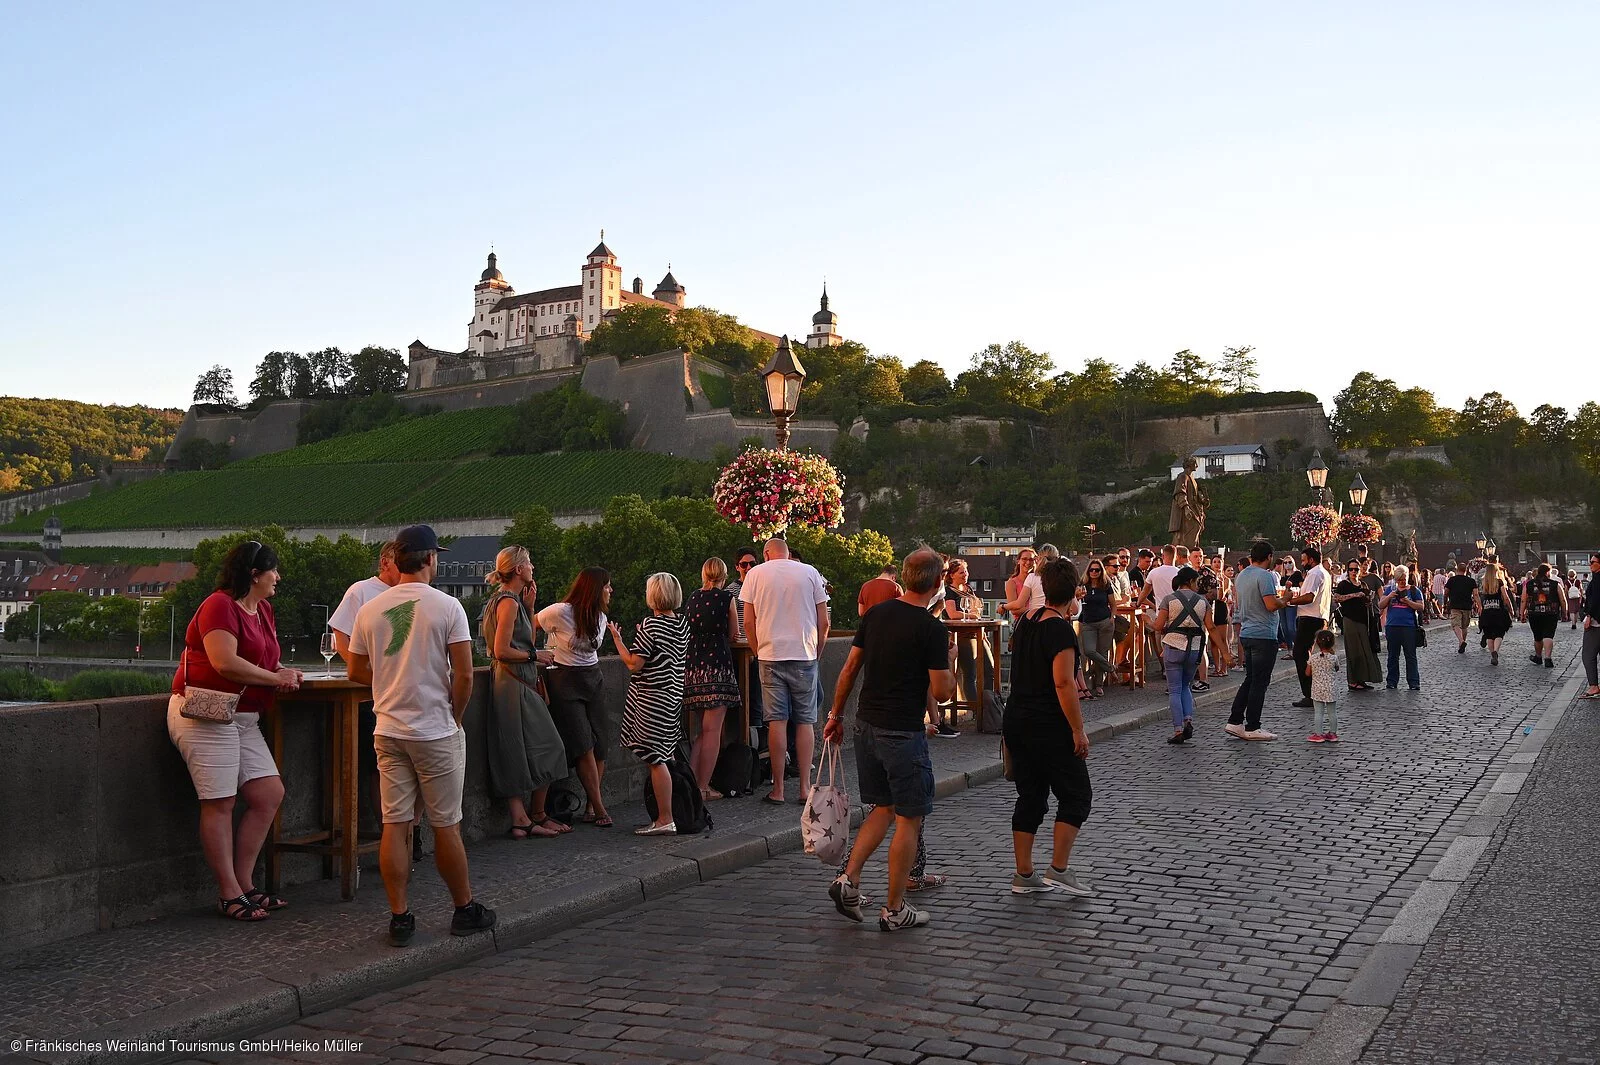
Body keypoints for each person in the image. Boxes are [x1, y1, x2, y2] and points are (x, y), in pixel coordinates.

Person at [347, 524, 494, 946]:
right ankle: (464, 909)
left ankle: (400, 916)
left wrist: (390, 681)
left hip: (388, 728)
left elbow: (356, 669)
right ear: (431, 559)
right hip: (434, 729)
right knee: (445, 824)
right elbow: (464, 674)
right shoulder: (448, 607)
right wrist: (456, 715)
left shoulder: (370, 609)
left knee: (395, 823)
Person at [168, 538, 302, 922]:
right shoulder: (219, 605)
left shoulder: (263, 610)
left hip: (243, 717)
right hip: (206, 714)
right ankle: (229, 894)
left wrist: (278, 676)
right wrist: (276, 679)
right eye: (273, 569)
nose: (278, 576)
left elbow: (262, 662)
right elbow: (224, 663)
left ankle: (244, 884)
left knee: (268, 793)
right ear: (254, 574)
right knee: (220, 802)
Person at [824, 548, 954, 930]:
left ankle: (849, 879)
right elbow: (943, 691)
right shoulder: (931, 628)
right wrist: (950, 654)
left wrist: (835, 715)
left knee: (882, 808)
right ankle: (895, 909)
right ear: (937, 582)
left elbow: (849, 669)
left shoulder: (876, 614)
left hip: (865, 724)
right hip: (902, 730)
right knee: (908, 818)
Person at [1001, 558, 1094, 896]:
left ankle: (1024, 874)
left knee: (1031, 796)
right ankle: (1059, 868)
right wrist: (1077, 730)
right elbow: (1063, 683)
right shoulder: (1060, 630)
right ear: (1072, 593)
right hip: (1048, 723)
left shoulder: (1027, 619)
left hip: (1017, 719)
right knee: (1077, 794)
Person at [481, 546, 569, 840]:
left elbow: (522, 641)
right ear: (518, 569)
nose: (533, 567)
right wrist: (536, 657)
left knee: (518, 748)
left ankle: (527, 818)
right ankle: (527, 817)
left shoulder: (511, 602)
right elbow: (501, 650)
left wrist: (531, 608)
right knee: (543, 746)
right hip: (512, 683)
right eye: (529, 563)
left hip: (515, 682)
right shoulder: (506, 603)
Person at [740, 538, 830, 805]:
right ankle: (804, 788)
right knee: (805, 722)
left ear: (767, 553)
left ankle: (778, 789)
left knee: (776, 722)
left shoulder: (755, 574)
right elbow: (823, 621)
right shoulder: (810, 572)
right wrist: (816, 651)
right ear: (788, 553)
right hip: (804, 654)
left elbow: (748, 621)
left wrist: (758, 651)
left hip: (770, 655)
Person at [611, 574, 691, 835]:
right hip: (672, 697)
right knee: (663, 755)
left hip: (652, 699)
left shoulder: (651, 626)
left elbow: (635, 664)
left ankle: (665, 819)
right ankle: (666, 816)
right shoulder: (682, 624)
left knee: (656, 759)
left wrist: (618, 640)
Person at [536, 568, 615, 828]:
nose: (610, 591)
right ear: (594, 589)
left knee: (601, 740)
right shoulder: (560, 612)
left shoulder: (600, 617)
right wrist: (534, 653)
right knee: (583, 743)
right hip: (564, 679)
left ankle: (592, 805)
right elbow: (531, 623)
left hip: (592, 677)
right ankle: (600, 807)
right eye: (607, 586)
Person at [683, 557, 742, 799]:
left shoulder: (693, 597)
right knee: (713, 731)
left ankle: (692, 783)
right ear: (724, 576)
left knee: (701, 731)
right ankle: (703, 786)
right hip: (717, 665)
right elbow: (733, 633)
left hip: (694, 666)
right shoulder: (727, 599)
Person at [1226, 540, 1289, 741]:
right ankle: (1253, 726)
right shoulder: (1265, 576)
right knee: (1259, 682)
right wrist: (1285, 599)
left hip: (1247, 631)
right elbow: (1270, 605)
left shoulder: (1242, 575)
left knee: (1250, 679)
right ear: (1269, 557)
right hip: (1264, 633)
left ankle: (1235, 721)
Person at [1154, 565, 1207, 745]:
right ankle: (1188, 720)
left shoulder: (1169, 599)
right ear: (1191, 582)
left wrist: (1147, 621)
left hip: (1174, 646)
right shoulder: (1202, 602)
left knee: (1174, 689)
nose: (1198, 585)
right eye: (1197, 581)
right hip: (1194, 648)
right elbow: (1211, 627)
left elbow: (1158, 625)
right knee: (1186, 686)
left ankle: (1178, 730)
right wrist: (1225, 652)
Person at [1288, 548, 1331, 709]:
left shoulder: (1314, 573)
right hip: (1316, 617)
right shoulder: (1323, 572)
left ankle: (1310, 693)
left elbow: (1309, 597)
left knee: (1300, 654)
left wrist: (1289, 601)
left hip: (1310, 618)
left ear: (1312, 560)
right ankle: (1313, 692)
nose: (1302, 563)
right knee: (1304, 654)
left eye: (1304, 560)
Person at [1334, 559, 1382, 690]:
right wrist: (1355, 595)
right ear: (1347, 571)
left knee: (1365, 649)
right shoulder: (1343, 584)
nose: (1353, 572)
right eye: (1351, 569)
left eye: (1356, 569)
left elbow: (1367, 603)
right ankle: (1352, 680)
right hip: (1349, 619)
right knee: (1353, 650)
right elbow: (1337, 598)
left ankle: (1362, 679)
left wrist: (1368, 600)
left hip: (1363, 620)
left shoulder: (1364, 585)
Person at [1076, 557, 1118, 697]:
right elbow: (1075, 602)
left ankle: (1099, 685)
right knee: (1089, 651)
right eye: (1092, 570)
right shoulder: (1082, 584)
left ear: (1101, 571)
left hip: (1104, 621)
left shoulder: (1106, 585)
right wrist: (1078, 597)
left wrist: (1112, 618)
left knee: (1102, 651)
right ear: (1088, 571)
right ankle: (1110, 668)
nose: (1094, 572)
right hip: (1088, 622)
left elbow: (1113, 604)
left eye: (1097, 570)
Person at [1379, 564, 1424, 690]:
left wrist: (1408, 602)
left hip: (1408, 627)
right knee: (1393, 655)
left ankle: (1414, 682)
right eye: (1399, 580)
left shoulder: (1414, 590)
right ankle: (1392, 681)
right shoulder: (1390, 590)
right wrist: (1389, 597)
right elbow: (1380, 605)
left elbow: (1421, 607)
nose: (1402, 582)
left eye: (1404, 579)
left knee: (1410, 655)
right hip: (1392, 626)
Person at [1520, 563, 1563, 668]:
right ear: (1548, 572)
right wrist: (1565, 611)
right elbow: (1562, 599)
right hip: (1551, 613)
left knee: (1538, 636)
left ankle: (1538, 656)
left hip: (1534, 613)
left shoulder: (1529, 584)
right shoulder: (1555, 584)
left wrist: (1522, 613)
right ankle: (1548, 658)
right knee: (1548, 635)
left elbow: (1523, 600)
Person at [1306, 629, 1342, 743]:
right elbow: (1337, 668)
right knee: (1332, 712)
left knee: (1319, 712)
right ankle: (1333, 733)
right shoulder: (1334, 658)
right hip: (1331, 688)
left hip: (1317, 688)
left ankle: (1318, 734)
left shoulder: (1313, 658)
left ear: (1317, 643)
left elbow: (1307, 673)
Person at [1478, 562, 1512, 665]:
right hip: (1498, 611)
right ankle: (1495, 651)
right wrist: (1510, 608)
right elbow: (1505, 597)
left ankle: (1492, 652)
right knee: (1499, 633)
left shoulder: (1483, 583)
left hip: (1486, 611)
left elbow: (1480, 596)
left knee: (1488, 635)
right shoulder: (1499, 582)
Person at [1444, 561, 1479, 654]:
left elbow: (1446, 592)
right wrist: (1479, 605)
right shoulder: (1471, 581)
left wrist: (1445, 602)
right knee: (1464, 626)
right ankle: (1461, 644)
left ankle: (1461, 641)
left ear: (1457, 570)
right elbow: (1475, 594)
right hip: (1467, 606)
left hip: (1455, 605)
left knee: (1456, 624)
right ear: (1466, 570)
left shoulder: (1451, 580)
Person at [1580, 554, 1600, 699]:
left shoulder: (1597, 579)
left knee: (1588, 655)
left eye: (1593, 562)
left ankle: (1594, 686)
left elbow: (1596, 599)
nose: (1590, 564)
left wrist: (1589, 616)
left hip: (1596, 621)